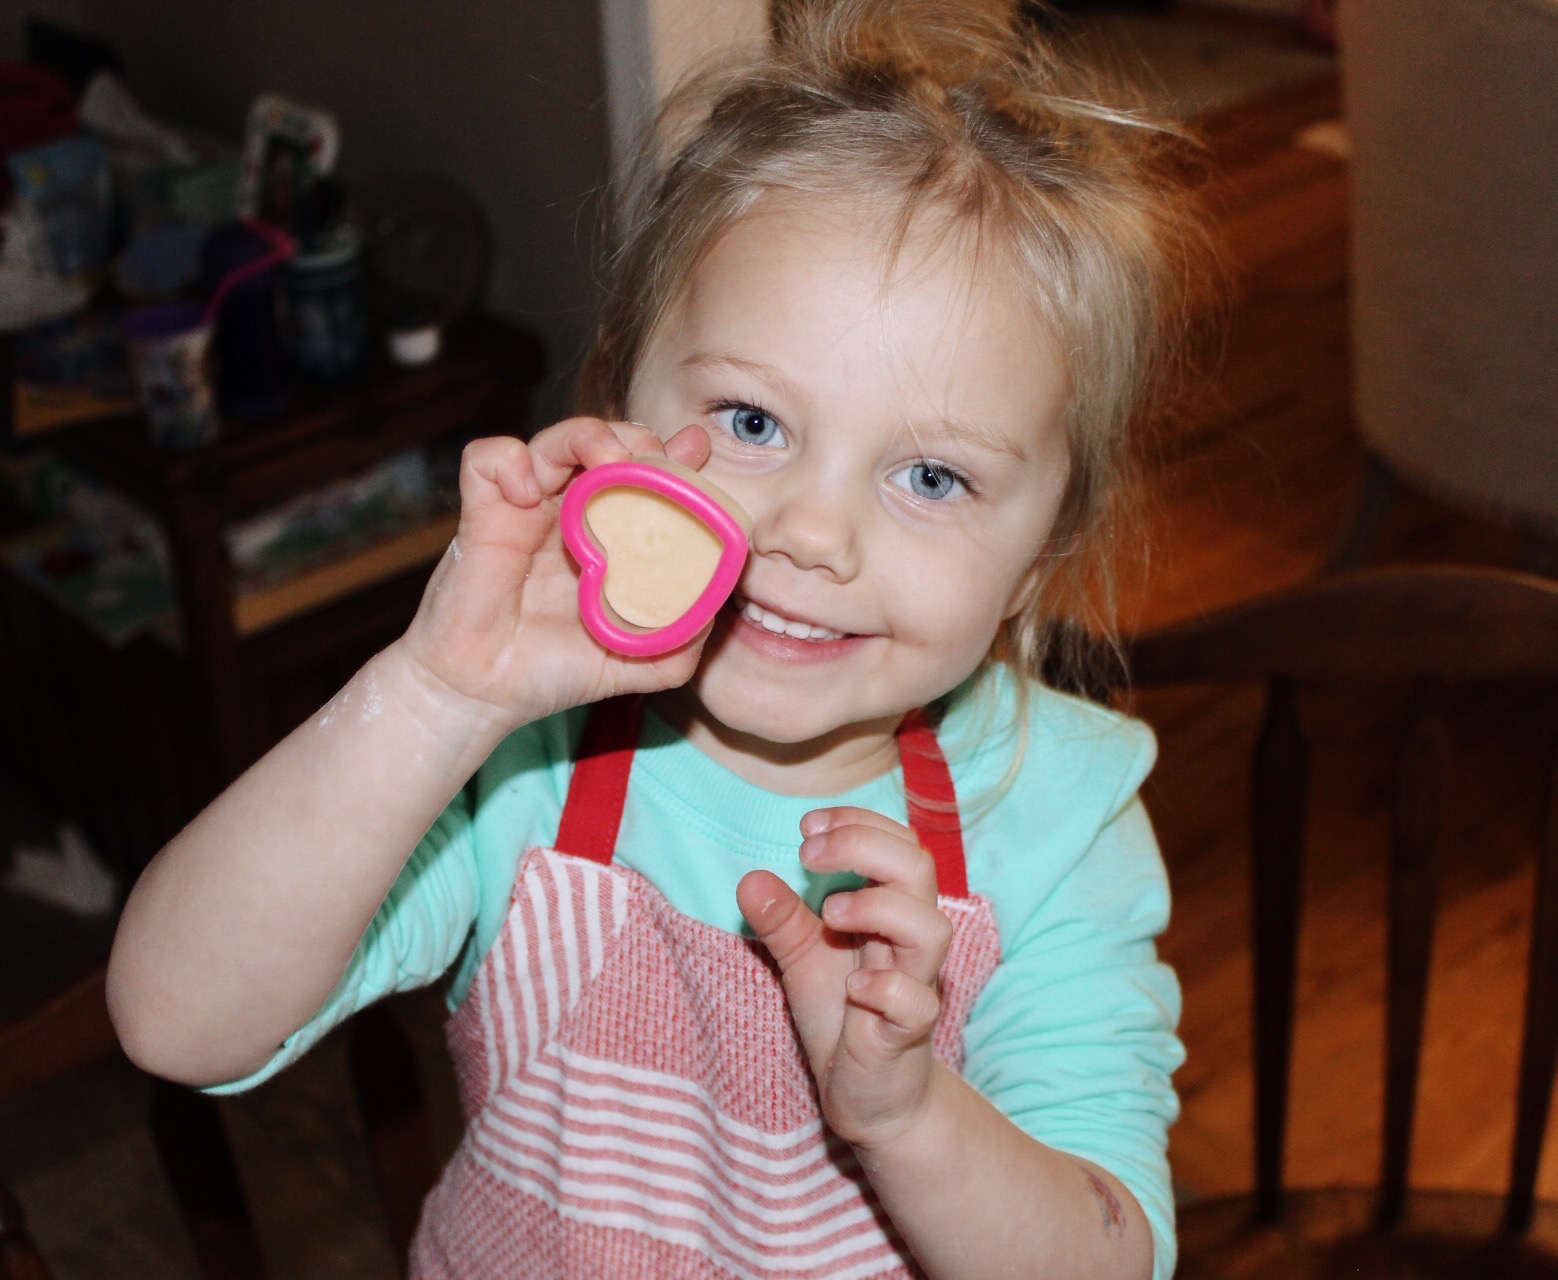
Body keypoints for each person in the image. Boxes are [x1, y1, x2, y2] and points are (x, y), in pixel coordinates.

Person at [107, 2, 1206, 1276]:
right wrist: (432, 696)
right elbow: (175, 1019)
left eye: (933, 478)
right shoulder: (525, 753)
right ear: (620, 410)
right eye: (749, 421)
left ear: (1038, 561)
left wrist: (910, 1116)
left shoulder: (1059, 817)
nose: (811, 531)